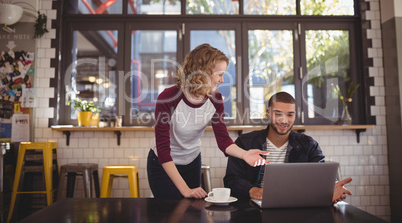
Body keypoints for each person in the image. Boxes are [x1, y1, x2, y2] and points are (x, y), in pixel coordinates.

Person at [147, 43, 269, 199]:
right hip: (163, 164)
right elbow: (163, 149)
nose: (222, 79)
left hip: (192, 161)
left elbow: (223, 140)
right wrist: (185, 189)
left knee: (191, 214)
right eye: (219, 74)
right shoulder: (168, 97)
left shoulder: (216, 100)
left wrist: (245, 155)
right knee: (169, 213)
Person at [224, 91, 352, 203]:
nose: (284, 120)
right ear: (268, 113)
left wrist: (332, 187)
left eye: (290, 115)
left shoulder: (309, 145)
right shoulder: (245, 143)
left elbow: (321, 176)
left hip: (297, 208)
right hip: (253, 208)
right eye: (278, 114)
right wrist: (252, 190)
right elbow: (231, 180)